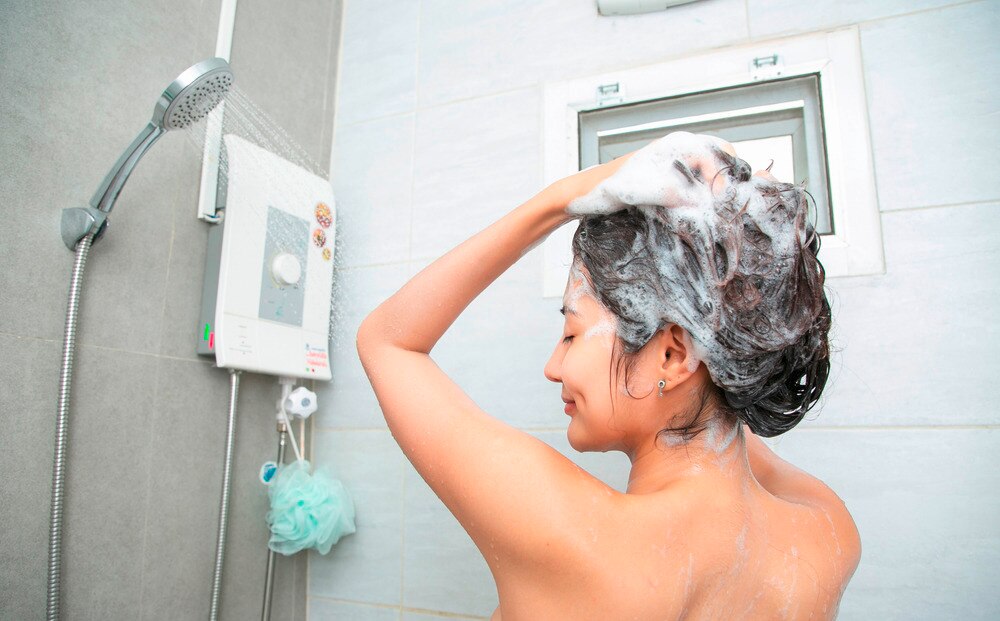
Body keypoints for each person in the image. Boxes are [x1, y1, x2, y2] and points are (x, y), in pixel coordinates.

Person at [357, 132, 861, 620]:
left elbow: (387, 341)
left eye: (572, 334)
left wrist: (563, 199)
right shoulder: (827, 533)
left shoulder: (580, 543)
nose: (553, 367)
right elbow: (728, 393)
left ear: (671, 357)